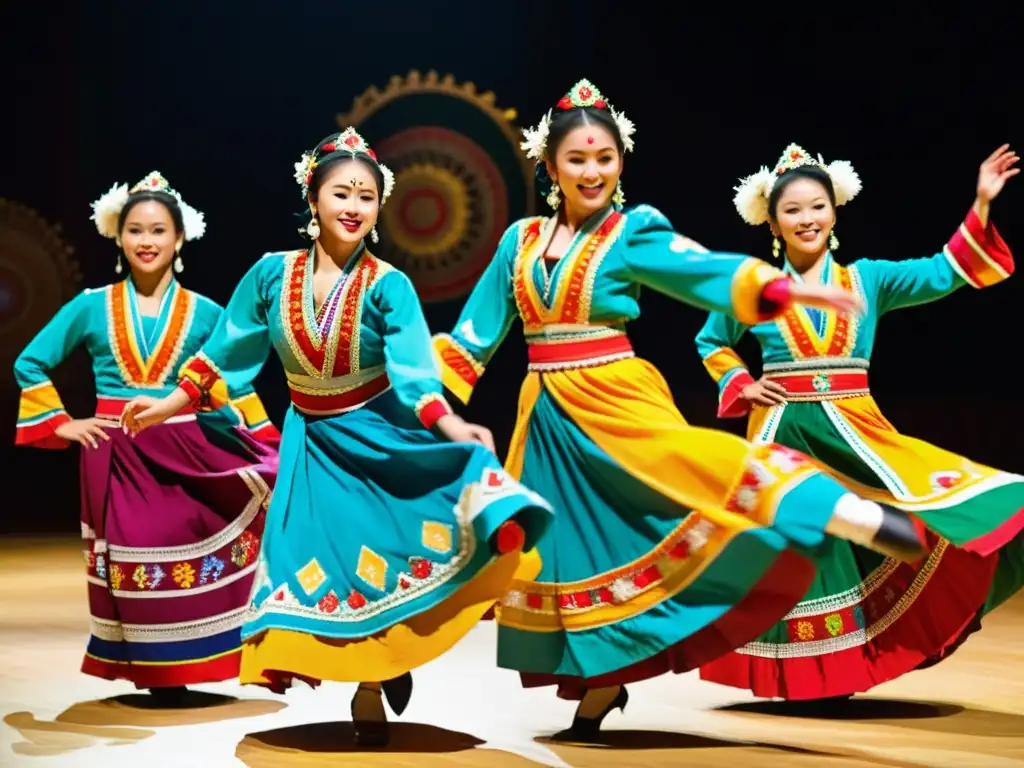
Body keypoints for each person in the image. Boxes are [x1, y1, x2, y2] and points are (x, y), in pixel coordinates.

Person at [431, 79, 926, 737]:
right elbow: (473, 335)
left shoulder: (631, 231)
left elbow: (703, 272)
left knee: (709, 472)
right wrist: (425, 398)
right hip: (545, 418)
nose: (593, 171)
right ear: (551, 166)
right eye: (578, 159)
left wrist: (783, 289)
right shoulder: (519, 242)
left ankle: (850, 512)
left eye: (605, 158)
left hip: (613, 395)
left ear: (621, 164)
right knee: (574, 553)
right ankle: (600, 689)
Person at [119, 129, 553, 746]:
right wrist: (165, 406)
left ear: (379, 210)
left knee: (384, 558)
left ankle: (373, 681)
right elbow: (224, 354)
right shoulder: (272, 276)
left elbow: (413, 372)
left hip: (378, 440)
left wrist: (453, 425)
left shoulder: (388, 285)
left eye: (367, 196)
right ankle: (369, 671)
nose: (353, 206)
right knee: (324, 570)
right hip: (308, 444)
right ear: (313, 198)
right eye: (341, 193)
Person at [694, 142, 1023, 703]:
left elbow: (946, 271)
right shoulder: (754, 286)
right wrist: (742, 383)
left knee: (913, 519)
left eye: (817, 206)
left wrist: (982, 205)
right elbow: (711, 341)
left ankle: (838, 673)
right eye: (793, 210)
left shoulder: (867, 280)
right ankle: (809, 679)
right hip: (783, 437)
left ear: (835, 212)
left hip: (856, 432)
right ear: (772, 221)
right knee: (804, 551)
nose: (807, 219)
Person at [13, 171, 279, 703]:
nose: (147, 241)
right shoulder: (92, 306)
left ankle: (198, 659)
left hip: (185, 449)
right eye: (136, 230)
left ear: (179, 239)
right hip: (116, 454)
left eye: (159, 231)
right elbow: (31, 361)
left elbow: (232, 380)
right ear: (118, 237)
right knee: (134, 565)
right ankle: (157, 671)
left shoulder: (206, 313)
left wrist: (265, 440)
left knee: (190, 548)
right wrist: (63, 423)